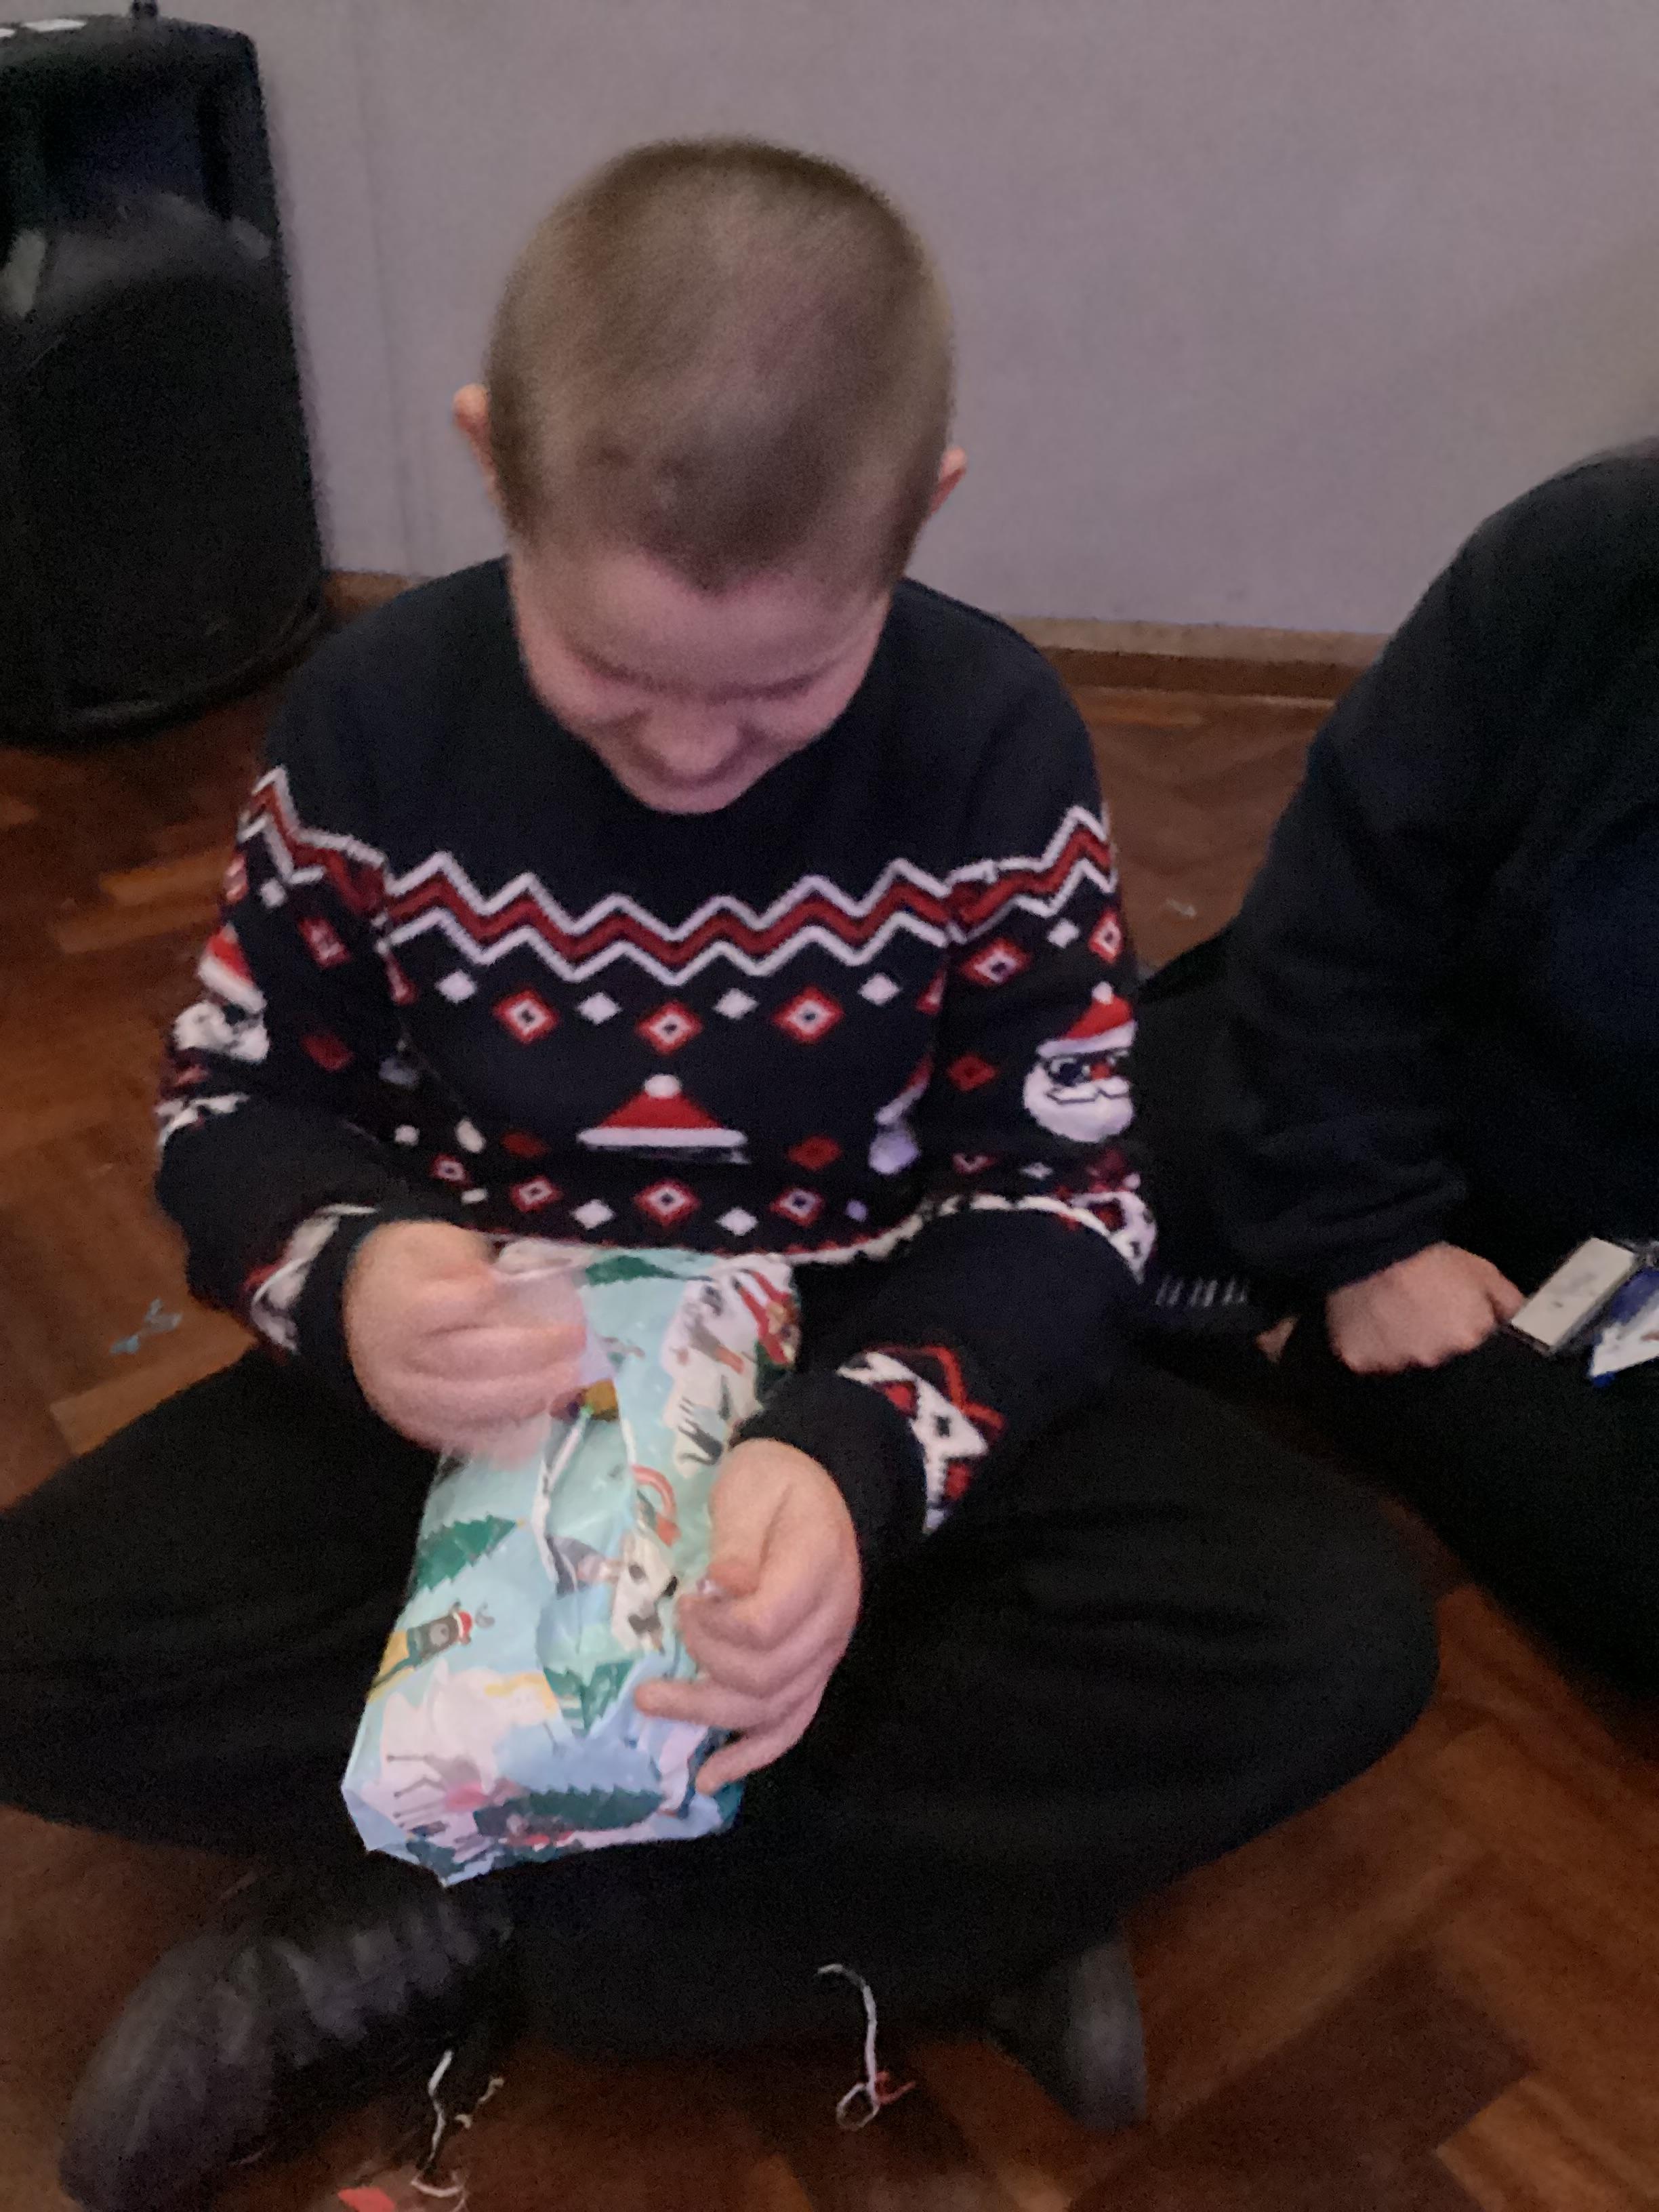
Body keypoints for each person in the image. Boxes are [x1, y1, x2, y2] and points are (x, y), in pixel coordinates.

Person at [0, 141, 1435, 2212]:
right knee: (39, 1643)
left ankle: (465, 1898)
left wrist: (856, 1461)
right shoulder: (375, 716)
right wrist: (353, 1265)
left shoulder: (990, 737)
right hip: (496, 1386)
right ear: (496, 470)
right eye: (614, 674)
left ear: (920, 510)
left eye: (778, 685)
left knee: (1333, 1629)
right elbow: (238, 1095)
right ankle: (927, 1898)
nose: (688, 754)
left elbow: (1067, 1195)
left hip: (864, 1341)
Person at [1204, 446, 1659, 1692]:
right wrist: (1371, 1242)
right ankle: (1291, 1320)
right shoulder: (1585, 560)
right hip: (1426, 1140)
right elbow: (1334, 928)